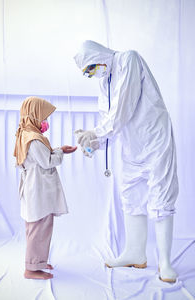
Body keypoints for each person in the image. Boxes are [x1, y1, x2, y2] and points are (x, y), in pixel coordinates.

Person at [74, 40, 179, 283]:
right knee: (130, 197)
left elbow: (123, 109)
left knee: (161, 197)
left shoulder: (128, 59)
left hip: (154, 140)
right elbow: (109, 119)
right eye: (87, 73)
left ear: (98, 55)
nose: (92, 74)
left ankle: (165, 262)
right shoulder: (104, 82)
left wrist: (97, 133)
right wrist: (92, 143)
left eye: (91, 68)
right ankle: (135, 253)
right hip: (131, 146)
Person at [14, 96, 77, 280]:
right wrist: (60, 152)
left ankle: (37, 262)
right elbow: (49, 161)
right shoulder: (33, 139)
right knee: (38, 228)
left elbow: (39, 157)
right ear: (34, 115)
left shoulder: (24, 134)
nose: (45, 122)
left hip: (34, 189)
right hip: (38, 191)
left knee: (37, 227)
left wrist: (58, 149)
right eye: (43, 117)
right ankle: (31, 269)